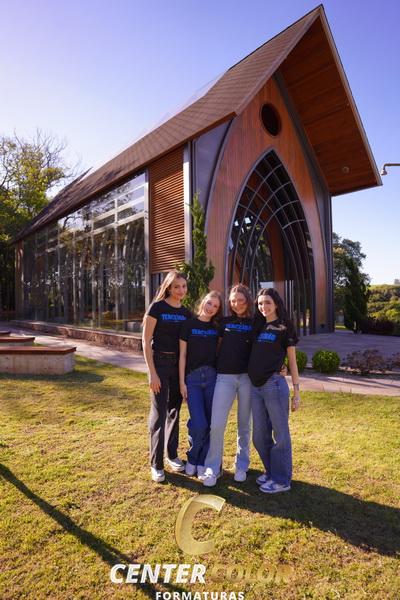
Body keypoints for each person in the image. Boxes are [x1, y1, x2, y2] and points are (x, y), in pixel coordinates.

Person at [248, 288, 300, 494]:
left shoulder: (284, 327)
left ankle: (281, 480)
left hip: (274, 385)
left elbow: (292, 362)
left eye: (267, 302)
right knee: (259, 436)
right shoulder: (258, 325)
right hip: (255, 387)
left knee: (281, 435)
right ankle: (271, 471)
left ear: (276, 303)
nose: (263, 307)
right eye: (260, 303)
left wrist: (296, 392)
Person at [202, 284, 254, 487]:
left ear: (247, 301)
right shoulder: (223, 322)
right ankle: (213, 467)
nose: (237, 304)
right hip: (224, 377)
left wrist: (280, 366)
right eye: (233, 300)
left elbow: (267, 347)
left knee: (244, 424)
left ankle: (241, 465)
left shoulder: (255, 322)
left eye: (241, 300)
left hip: (247, 378)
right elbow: (213, 345)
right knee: (217, 424)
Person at [142, 270, 192, 483]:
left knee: (174, 411)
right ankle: (156, 464)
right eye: (176, 286)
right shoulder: (157, 308)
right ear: (169, 288)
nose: (181, 290)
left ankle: (171, 455)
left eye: (183, 286)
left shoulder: (187, 313)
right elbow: (145, 341)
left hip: (178, 366)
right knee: (159, 414)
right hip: (159, 364)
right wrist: (152, 373)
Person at [179, 291, 223, 478]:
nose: (211, 308)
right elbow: (182, 355)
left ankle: (203, 461)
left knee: (211, 423)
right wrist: (182, 382)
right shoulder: (188, 325)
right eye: (209, 303)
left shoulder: (217, 328)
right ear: (203, 301)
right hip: (193, 380)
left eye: (216, 306)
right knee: (199, 423)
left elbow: (220, 353)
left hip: (212, 378)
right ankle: (192, 457)